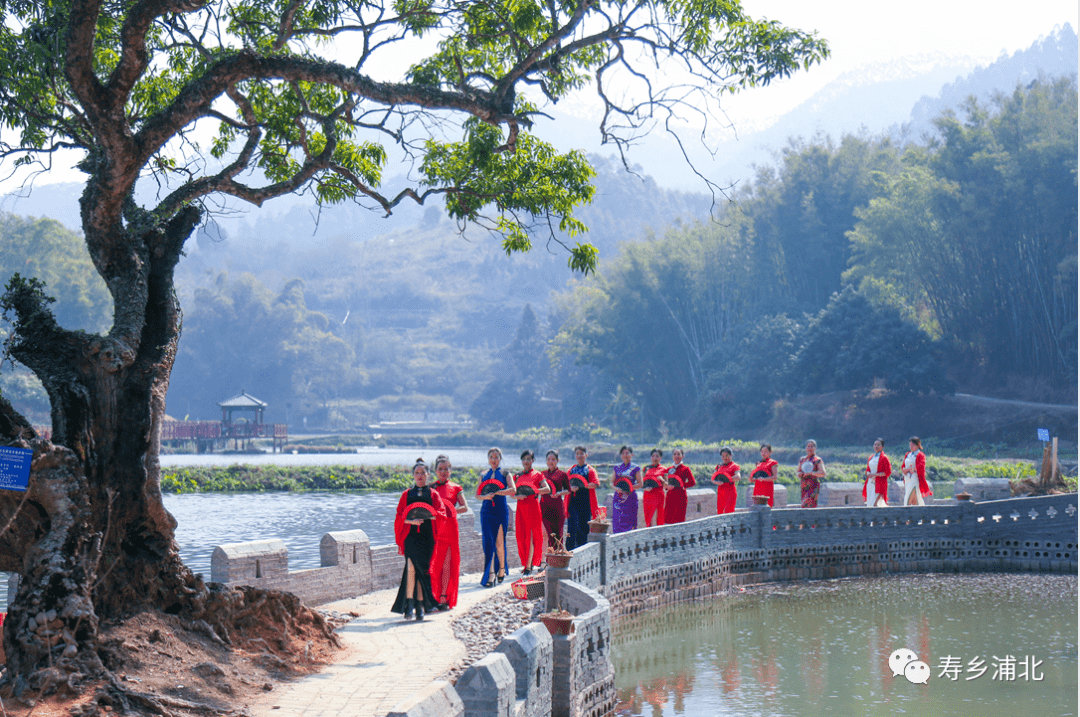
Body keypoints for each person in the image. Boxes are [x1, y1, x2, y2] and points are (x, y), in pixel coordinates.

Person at [392, 459, 446, 621]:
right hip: (411, 536)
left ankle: (420, 605)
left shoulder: (433, 494)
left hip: (427, 537)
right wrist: (409, 521)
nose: (420, 476)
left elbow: (441, 513)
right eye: (417, 473)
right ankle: (411, 605)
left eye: (423, 473)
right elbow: (399, 516)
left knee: (422, 571)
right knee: (410, 569)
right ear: (413, 475)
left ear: (428, 475)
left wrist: (431, 516)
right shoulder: (406, 494)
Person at [430, 455, 467, 611]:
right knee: (433, 563)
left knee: (447, 564)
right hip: (434, 529)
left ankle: (444, 597)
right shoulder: (430, 488)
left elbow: (464, 507)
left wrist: (451, 510)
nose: (443, 472)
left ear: (450, 470)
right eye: (440, 469)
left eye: (446, 469)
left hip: (450, 528)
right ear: (436, 471)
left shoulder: (456, 487)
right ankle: (432, 597)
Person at [476, 447, 516, 587]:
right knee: (488, 542)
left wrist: (499, 492)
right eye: (491, 457)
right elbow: (477, 494)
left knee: (499, 542)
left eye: (496, 457)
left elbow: (513, 490)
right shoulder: (483, 474)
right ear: (488, 459)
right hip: (486, 511)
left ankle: (502, 569)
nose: (494, 460)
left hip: (500, 510)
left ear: (500, 459)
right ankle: (490, 574)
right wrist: (486, 496)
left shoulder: (506, 473)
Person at [513, 450, 549, 575]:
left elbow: (547, 489)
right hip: (521, 509)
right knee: (521, 536)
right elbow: (512, 493)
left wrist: (534, 491)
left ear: (533, 460)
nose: (526, 461)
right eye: (524, 459)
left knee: (532, 537)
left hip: (533, 508)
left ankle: (529, 566)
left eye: (529, 459)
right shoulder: (517, 476)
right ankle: (527, 563)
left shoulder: (538, 475)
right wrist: (517, 496)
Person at [565, 446, 600, 550]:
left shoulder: (590, 470)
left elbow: (596, 483)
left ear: (586, 455)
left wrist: (585, 485)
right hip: (573, 501)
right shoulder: (571, 470)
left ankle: (582, 549)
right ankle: (570, 549)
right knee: (572, 526)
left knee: (583, 526)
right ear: (575, 455)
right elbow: (566, 485)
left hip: (586, 501)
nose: (580, 455)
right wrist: (571, 488)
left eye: (582, 453)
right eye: (577, 453)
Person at [540, 450, 570, 550]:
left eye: (553, 459)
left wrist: (559, 493)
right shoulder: (542, 474)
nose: (550, 461)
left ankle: (558, 561)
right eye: (548, 459)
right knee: (548, 535)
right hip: (544, 508)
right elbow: (536, 489)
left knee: (558, 535)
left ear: (557, 460)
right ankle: (548, 561)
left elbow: (568, 490)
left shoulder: (562, 474)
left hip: (557, 508)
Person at [612, 445, 642, 534]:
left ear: (632, 454)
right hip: (618, 498)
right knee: (617, 521)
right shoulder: (616, 467)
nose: (625, 455)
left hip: (630, 499)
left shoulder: (636, 468)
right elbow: (611, 482)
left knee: (630, 523)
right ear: (621, 455)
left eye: (627, 453)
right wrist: (615, 488)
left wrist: (629, 488)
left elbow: (640, 483)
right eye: (623, 453)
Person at [663, 447, 695, 524]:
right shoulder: (668, 469)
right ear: (672, 456)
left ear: (682, 456)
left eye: (678, 454)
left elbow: (692, 482)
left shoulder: (686, 469)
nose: (676, 456)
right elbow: (665, 483)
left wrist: (682, 485)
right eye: (674, 454)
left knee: (679, 519)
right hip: (670, 496)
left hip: (681, 496)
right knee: (668, 518)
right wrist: (667, 487)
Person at [901, 436, 932, 506]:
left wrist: (909, 469)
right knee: (915, 498)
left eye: (913, 445)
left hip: (915, 478)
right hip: (907, 478)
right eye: (910, 445)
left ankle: (906, 510)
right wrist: (905, 470)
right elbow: (903, 465)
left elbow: (920, 467)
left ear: (918, 445)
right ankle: (920, 511)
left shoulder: (920, 455)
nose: (911, 447)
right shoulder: (907, 454)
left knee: (908, 496)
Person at [797, 439, 826, 508]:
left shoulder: (818, 460)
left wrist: (811, 473)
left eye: (811, 446)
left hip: (813, 486)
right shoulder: (802, 459)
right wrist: (800, 474)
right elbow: (798, 471)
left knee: (810, 504)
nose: (810, 448)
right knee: (803, 505)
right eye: (808, 446)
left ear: (815, 448)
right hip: (804, 485)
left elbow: (823, 473)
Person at [711, 447, 740, 514]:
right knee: (720, 511)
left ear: (731, 455)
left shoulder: (734, 466)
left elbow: (738, 477)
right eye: (723, 456)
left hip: (730, 491)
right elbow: (713, 478)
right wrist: (716, 482)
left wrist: (728, 479)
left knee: (729, 511)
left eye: (727, 456)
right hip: (721, 491)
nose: (725, 458)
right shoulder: (719, 466)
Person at [642, 449, 667, 527]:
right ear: (651, 457)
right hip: (648, 493)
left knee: (660, 515)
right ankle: (648, 533)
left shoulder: (664, 469)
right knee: (648, 516)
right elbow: (642, 482)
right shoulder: (646, 468)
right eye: (653, 456)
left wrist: (662, 479)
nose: (655, 458)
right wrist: (645, 488)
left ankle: (660, 533)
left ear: (660, 458)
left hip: (659, 493)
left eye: (657, 456)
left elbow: (666, 484)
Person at [863, 438, 891, 508]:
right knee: (870, 502)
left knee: (876, 503)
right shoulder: (871, 458)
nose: (876, 446)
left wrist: (875, 475)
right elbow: (867, 470)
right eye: (875, 444)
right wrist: (868, 473)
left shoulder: (884, 458)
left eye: (878, 445)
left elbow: (887, 472)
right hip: (870, 483)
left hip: (879, 483)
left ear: (882, 447)